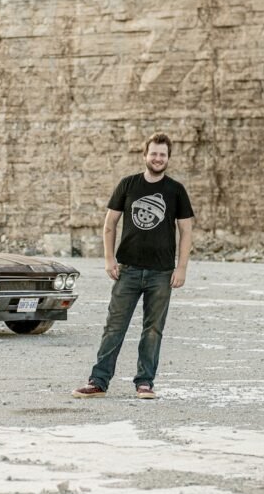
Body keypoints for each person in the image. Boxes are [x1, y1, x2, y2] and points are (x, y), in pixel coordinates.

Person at [72, 132, 194, 400]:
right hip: (127, 270)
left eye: (163, 154)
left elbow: (186, 231)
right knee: (114, 327)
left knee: (153, 329)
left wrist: (181, 268)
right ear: (145, 155)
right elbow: (109, 224)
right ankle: (98, 382)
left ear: (168, 158)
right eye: (154, 153)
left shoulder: (176, 191)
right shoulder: (128, 185)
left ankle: (145, 383)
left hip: (161, 274)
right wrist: (108, 259)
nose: (158, 158)